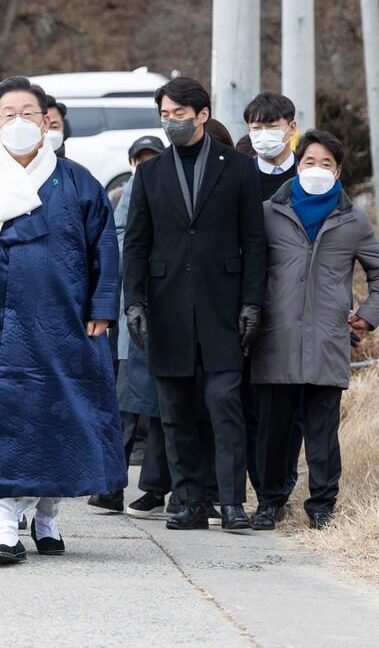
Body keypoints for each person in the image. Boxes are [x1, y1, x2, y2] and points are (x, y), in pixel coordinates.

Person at [0, 76, 124, 568]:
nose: (19, 123)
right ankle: (1, 529)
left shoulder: (79, 183)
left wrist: (102, 308)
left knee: (60, 421)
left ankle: (47, 516)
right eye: (9, 115)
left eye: (28, 114)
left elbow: (105, 250)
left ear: (45, 122)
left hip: (66, 324)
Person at [122, 76, 267, 533]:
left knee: (225, 406)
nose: (171, 124)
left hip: (223, 308)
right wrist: (134, 302)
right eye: (165, 116)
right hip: (167, 309)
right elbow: (137, 246)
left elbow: (254, 242)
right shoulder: (150, 174)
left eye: (179, 115)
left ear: (202, 114)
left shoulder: (239, 169)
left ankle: (231, 502)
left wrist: (252, 303)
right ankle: (186, 502)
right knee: (175, 412)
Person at [251, 130, 379, 530]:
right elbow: (249, 270)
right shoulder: (268, 213)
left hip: (326, 338)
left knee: (322, 430)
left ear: (339, 171)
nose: (317, 169)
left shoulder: (352, 220)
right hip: (275, 337)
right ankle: (270, 501)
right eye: (310, 162)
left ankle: (321, 505)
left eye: (326, 164)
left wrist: (367, 315)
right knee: (273, 430)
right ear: (297, 167)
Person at [89, 136, 172, 519]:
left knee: (160, 406)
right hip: (135, 312)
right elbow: (120, 236)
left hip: (171, 309)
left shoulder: (178, 177)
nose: (146, 164)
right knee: (125, 403)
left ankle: (153, 487)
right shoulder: (135, 186)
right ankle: (111, 485)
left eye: (152, 157)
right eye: (140, 159)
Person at [239, 92, 305, 518]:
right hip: (246, 306)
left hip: (295, 309)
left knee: (286, 404)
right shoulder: (238, 178)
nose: (263, 135)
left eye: (271, 125)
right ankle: (263, 488)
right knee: (248, 405)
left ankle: (276, 492)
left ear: (290, 126)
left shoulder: (310, 178)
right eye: (256, 127)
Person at [244, 92, 299, 200]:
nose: (264, 134)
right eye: (256, 128)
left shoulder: (307, 173)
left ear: (292, 128)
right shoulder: (240, 175)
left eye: (272, 127)